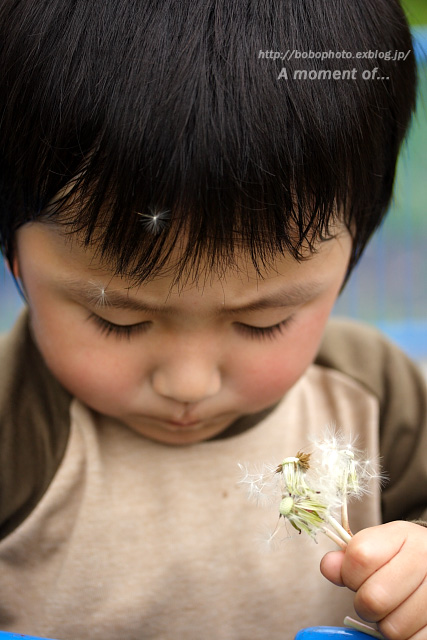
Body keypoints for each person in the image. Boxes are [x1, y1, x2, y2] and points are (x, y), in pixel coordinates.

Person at [0, 1, 426, 639]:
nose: (188, 384)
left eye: (265, 322)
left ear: (351, 260)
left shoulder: (377, 395)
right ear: (14, 260)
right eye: (117, 321)